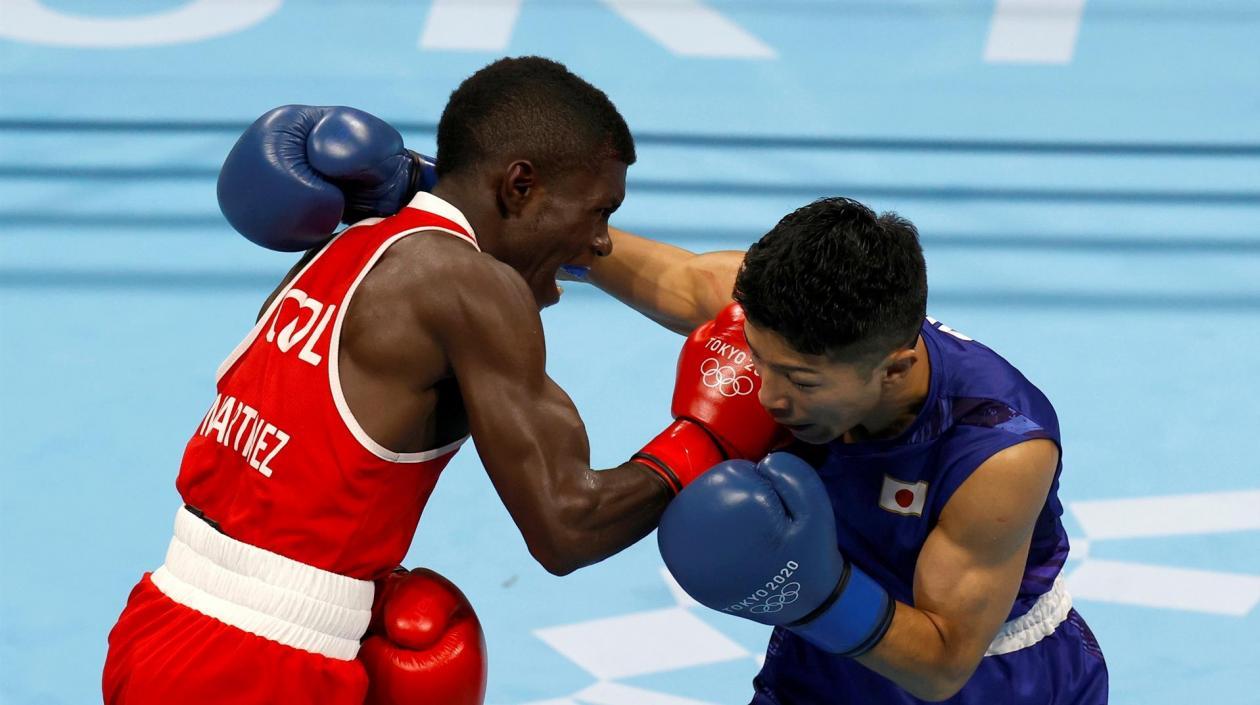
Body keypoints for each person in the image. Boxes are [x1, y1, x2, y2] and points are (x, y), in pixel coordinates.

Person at [101, 56, 781, 705]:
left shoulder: (350, 240)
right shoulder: (471, 285)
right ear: (519, 186)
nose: (603, 243)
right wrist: (709, 438)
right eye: (597, 210)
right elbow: (567, 526)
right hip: (257, 667)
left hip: (162, 618)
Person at [595, 200, 1109, 703]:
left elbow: (941, 667)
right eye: (758, 357)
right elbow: (671, 275)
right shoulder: (783, 315)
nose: (769, 396)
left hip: (988, 677)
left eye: (800, 380)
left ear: (893, 370)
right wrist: (533, 238)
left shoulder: (998, 450)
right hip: (826, 657)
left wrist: (817, 594)